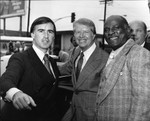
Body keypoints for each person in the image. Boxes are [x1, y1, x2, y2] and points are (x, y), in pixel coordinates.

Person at [0, 16, 61, 121]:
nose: (46, 36)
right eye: (41, 31)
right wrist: (15, 94)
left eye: (50, 32)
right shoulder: (20, 58)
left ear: (54, 36)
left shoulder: (51, 61)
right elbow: (6, 79)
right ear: (32, 34)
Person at [95, 15, 150, 121]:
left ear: (128, 31)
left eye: (116, 28)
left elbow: (142, 105)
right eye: (107, 30)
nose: (110, 32)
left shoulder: (139, 54)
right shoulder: (114, 53)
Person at [59, 18, 109, 121]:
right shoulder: (76, 53)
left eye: (85, 32)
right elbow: (64, 69)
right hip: (73, 110)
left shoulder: (105, 59)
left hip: (93, 115)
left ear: (93, 35)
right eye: (77, 32)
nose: (81, 36)